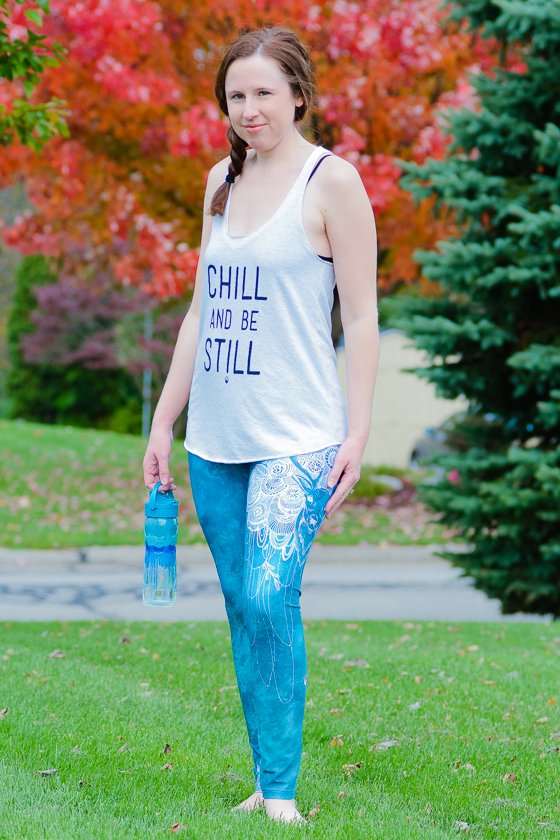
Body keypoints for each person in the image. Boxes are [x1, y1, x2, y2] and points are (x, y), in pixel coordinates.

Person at [142, 26, 379, 826]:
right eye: (235, 95)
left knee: (273, 593)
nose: (249, 110)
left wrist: (357, 434)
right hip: (216, 439)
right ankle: (266, 781)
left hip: (300, 435)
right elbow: (201, 312)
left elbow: (364, 319)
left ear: (299, 96)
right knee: (245, 604)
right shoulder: (222, 179)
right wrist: (163, 423)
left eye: (265, 94)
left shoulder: (332, 181)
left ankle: (282, 793)